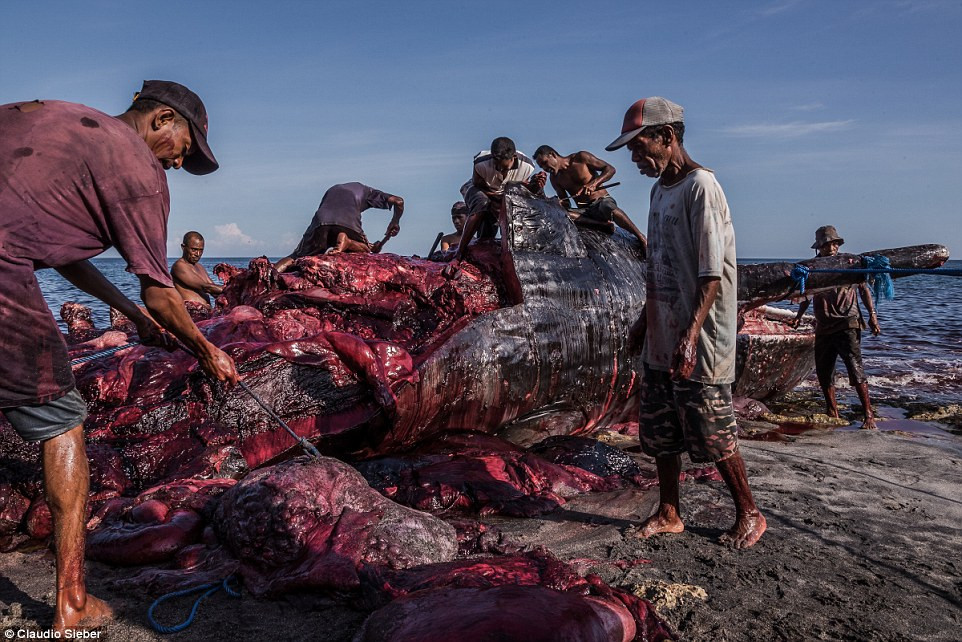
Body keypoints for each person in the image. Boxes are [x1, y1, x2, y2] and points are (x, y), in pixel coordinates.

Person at [0, 80, 240, 633]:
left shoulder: (56, 117)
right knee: (63, 422)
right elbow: (159, 286)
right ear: (160, 120)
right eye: (185, 147)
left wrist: (133, 318)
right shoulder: (135, 163)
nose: (180, 162)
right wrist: (205, 350)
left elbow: (56, 252)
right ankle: (72, 603)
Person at [607, 96, 766, 549]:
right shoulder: (659, 192)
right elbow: (660, 266)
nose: (636, 159)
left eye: (641, 147)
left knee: (711, 428)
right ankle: (670, 511)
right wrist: (644, 320)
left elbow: (709, 272)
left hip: (700, 336)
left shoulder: (702, 187)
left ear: (668, 137)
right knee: (660, 430)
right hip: (663, 333)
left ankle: (749, 513)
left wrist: (692, 335)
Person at [791, 226, 881, 429]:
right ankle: (832, 410)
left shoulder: (849, 263)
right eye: (825, 245)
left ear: (838, 245)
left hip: (847, 322)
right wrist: (798, 316)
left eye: (833, 244)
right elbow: (807, 294)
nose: (830, 248)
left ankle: (868, 414)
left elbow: (863, 290)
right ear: (819, 248)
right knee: (824, 371)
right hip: (823, 325)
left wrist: (873, 317)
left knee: (855, 367)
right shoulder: (812, 268)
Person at [533, 145, 647, 253]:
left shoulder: (581, 158)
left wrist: (593, 184)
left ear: (552, 155)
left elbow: (610, 169)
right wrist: (558, 203)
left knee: (608, 207)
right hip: (584, 213)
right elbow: (566, 203)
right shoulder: (555, 179)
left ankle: (641, 238)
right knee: (563, 214)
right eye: (541, 166)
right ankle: (602, 225)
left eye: (544, 163)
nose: (545, 168)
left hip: (601, 202)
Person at [274, 182, 404, 272]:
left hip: (321, 221)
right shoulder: (368, 192)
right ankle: (348, 242)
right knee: (365, 250)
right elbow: (399, 201)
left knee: (296, 256)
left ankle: (270, 274)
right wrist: (395, 221)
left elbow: (331, 224)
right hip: (348, 223)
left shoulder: (334, 189)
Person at [453, 137, 546, 261]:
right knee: (482, 203)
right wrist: (497, 199)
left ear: (513, 157)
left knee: (498, 221)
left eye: (504, 167)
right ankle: (460, 251)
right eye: (497, 166)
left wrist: (535, 185)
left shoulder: (527, 166)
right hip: (479, 188)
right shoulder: (481, 162)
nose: (501, 170)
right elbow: (478, 184)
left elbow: (522, 189)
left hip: (502, 192)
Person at [171, 231, 223, 308]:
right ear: (183, 247)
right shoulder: (179, 266)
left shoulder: (200, 267)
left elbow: (213, 289)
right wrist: (232, 288)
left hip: (206, 313)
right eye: (194, 250)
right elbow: (206, 287)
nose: (198, 254)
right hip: (190, 314)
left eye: (201, 250)